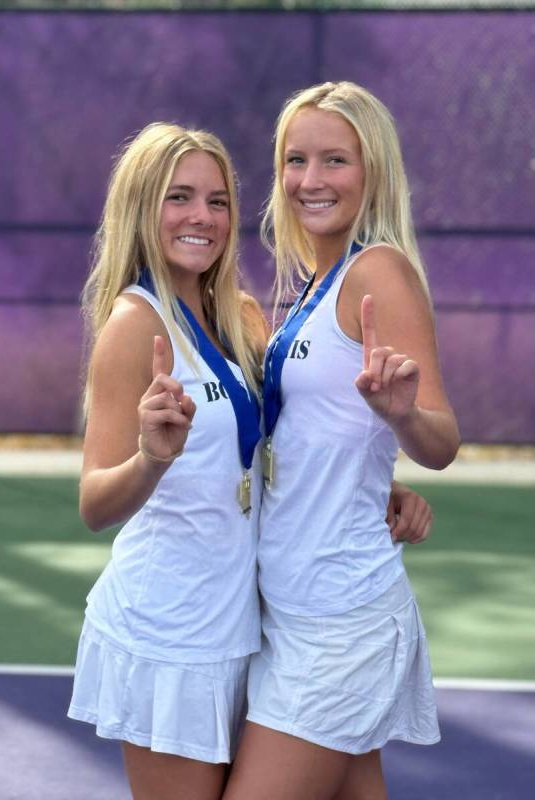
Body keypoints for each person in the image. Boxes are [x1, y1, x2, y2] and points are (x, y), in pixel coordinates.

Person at [67, 120, 434, 800]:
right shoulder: (134, 324)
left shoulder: (236, 316)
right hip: (169, 632)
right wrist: (149, 459)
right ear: (141, 211)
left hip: (247, 622)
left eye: (217, 200)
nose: (201, 218)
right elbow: (94, 504)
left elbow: (278, 442)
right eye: (178, 198)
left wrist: (381, 484)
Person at [223, 81, 460, 800]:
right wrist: (377, 481)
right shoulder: (314, 283)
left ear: (372, 172)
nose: (310, 180)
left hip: (340, 619)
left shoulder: (376, 272)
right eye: (295, 160)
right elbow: (313, 435)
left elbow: (441, 438)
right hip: (290, 608)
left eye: (335, 160)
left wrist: (401, 416)